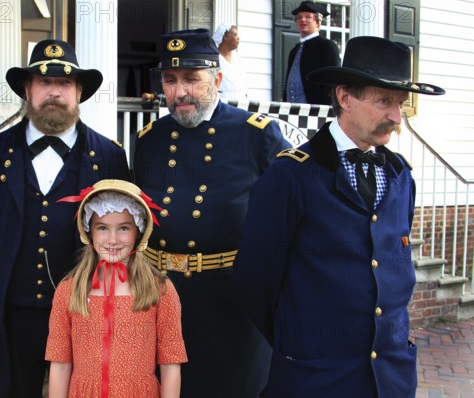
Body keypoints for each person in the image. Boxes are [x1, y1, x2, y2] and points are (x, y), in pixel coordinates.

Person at [235, 36, 445, 398]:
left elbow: (392, 264)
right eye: (384, 102)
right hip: (315, 378)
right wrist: (300, 344)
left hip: (390, 378)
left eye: (400, 104)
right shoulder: (290, 176)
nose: (396, 117)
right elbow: (256, 281)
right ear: (345, 97)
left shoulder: (401, 176)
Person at [0, 39, 130, 398]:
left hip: (85, 313)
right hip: (7, 315)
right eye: (44, 82)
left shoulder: (109, 156)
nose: (54, 92)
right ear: (27, 90)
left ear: (78, 92)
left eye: (64, 84)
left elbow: (128, 243)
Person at [134, 28, 291, 398]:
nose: (180, 92)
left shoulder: (256, 134)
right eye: (170, 81)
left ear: (217, 79)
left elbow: (294, 210)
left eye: (192, 79)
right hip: (162, 298)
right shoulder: (149, 139)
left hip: (232, 303)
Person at [45, 179, 187, 398]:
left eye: (123, 228)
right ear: (89, 231)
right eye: (102, 228)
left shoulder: (160, 289)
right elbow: (60, 363)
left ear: (138, 232)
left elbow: (170, 364)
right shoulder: (68, 290)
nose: (112, 239)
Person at [283, 0, 339, 105]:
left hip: (316, 112)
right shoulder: (294, 51)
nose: (302, 20)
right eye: (299, 17)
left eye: (308, 17)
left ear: (317, 22)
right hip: (291, 110)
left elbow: (332, 84)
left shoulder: (327, 46)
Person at [212, 23, 249, 101]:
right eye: (235, 35)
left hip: (241, 105)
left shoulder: (237, 58)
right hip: (224, 105)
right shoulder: (214, 59)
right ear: (225, 37)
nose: (238, 38)